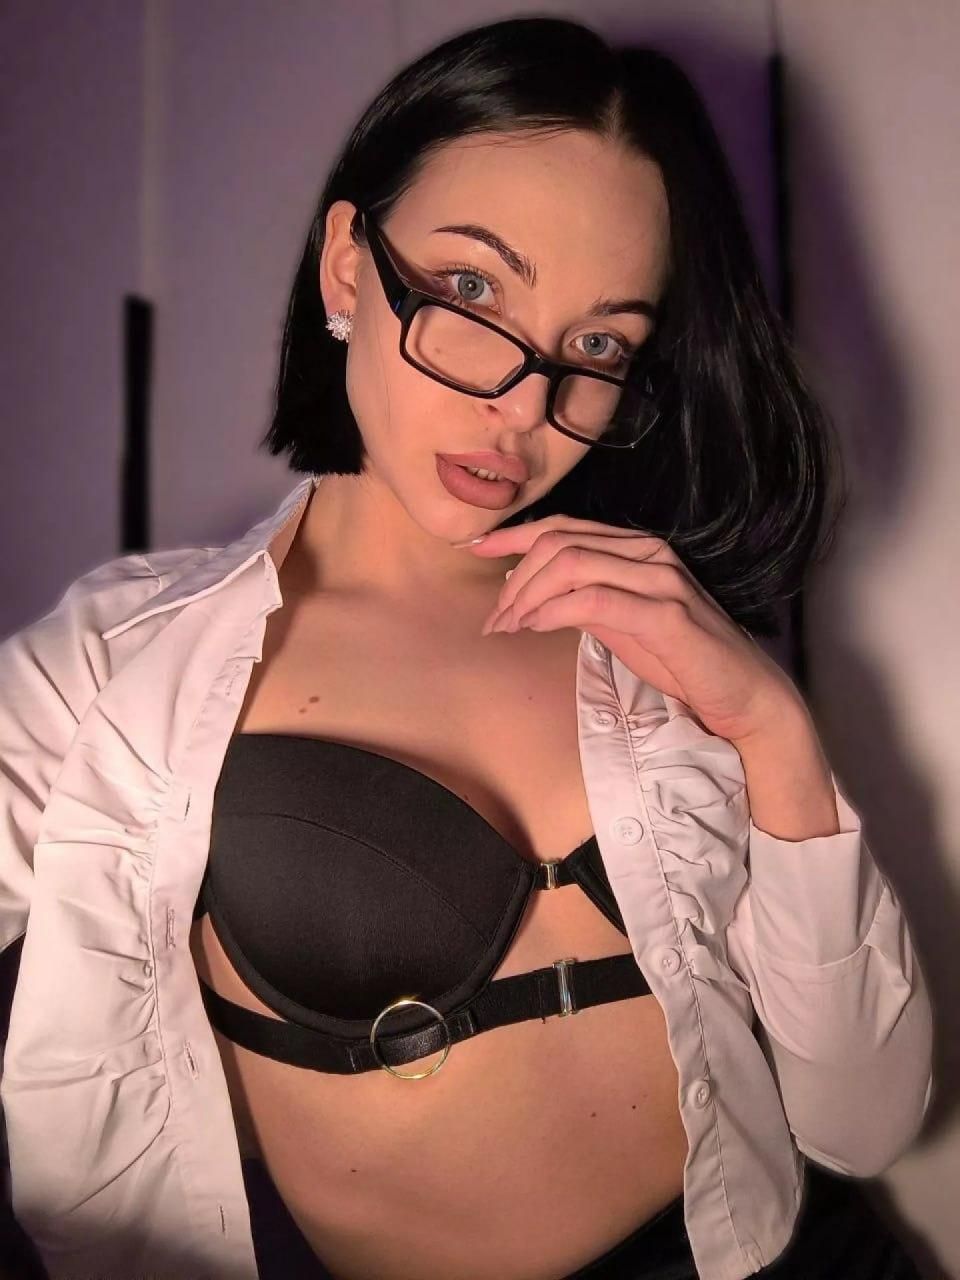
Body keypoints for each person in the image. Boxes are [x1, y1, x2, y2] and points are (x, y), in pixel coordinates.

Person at [0, 14, 934, 1280]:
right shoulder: (121, 665)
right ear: (348, 267)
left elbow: (865, 1117)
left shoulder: (669, 637)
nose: (520, 403)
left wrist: (771, 728)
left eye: (598, 345)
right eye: (474, 290)